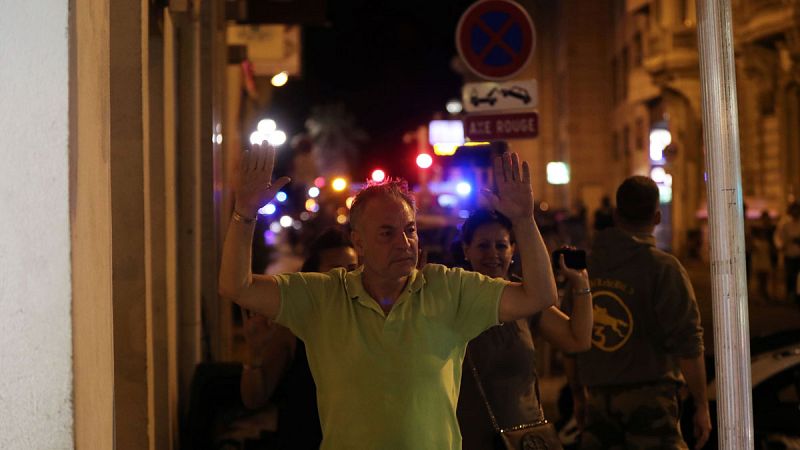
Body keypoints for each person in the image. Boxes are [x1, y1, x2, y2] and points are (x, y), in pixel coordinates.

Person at [219, 144, 558, 449]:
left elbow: (539, 296)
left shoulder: (449, 289)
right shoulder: (323, 296)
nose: (404, 242)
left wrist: (525, 221)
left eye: (410, 230)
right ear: (359, 242)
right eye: (387, 233)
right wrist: (244, 215)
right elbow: (238, 287)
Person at [569, 176, 711, 450]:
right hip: (651, 402)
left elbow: (569, 338)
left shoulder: (585, 267)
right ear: (657, 217)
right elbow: (688, 343)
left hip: (598, 400)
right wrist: (701, 404)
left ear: (615, 214)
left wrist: (578, 395)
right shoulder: (663, 268)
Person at [456, 209, 593, 450]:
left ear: (513, 249)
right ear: (466, 250)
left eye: (501, 245)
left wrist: (581, 284)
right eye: (483, 246)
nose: (493, 254)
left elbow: (577, 340)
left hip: (526, 440)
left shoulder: (527, 300)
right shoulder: (453, 298)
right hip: (470, 438)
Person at [239, 227, 358, 450]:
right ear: (314, 275)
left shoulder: (366, 322)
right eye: (335, 270)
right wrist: (255, 351)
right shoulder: (293, 327)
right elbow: (254, 398)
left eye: (352, 269)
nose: (345, 277)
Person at [775, 201, 800, 305]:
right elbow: (778, 237)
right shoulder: (785, 223)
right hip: (789, 254)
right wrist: (781, 245)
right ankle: (791, 295)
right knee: (790, 275)